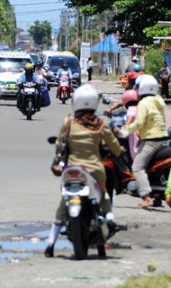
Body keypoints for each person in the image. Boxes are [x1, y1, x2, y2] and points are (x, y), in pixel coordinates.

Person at [44, 84, 122, 257]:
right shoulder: (100, 124)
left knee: (64, 201)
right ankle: (109, 219)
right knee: (103, 194)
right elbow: (116, 149)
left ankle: (50, 244)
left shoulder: (69, 122)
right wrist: (118, 149)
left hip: (72, 170)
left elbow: (59, 144)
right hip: (95, 170)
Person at [124, 75, 168, 208]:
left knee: (137, 167)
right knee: (150, 167)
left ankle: (147, 197)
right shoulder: (158, 100)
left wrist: (126, 130)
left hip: (151, 140)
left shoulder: (143, 103)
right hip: (163, 138)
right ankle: (157, 197)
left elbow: (139, 122)